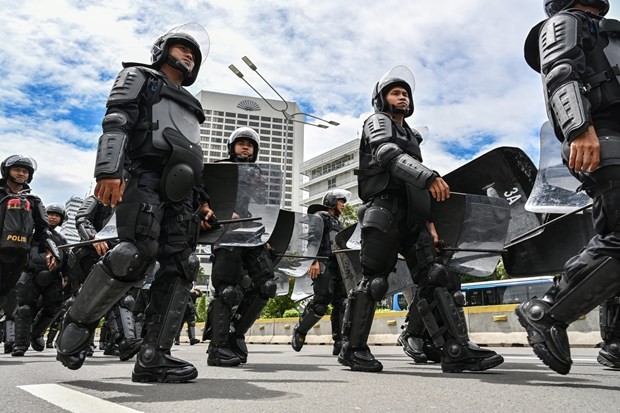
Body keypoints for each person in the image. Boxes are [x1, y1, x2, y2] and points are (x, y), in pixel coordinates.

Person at [55, 23, 214, 384]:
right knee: (133, 254)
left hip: (183, 191)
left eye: (194, 53)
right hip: (143, 175)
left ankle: (154, 356)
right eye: (181, 48)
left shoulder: (193, 105)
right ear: (162, 49)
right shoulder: (139, 75)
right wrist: (108, 169)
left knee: (182, 264)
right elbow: (117, 119)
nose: (188, 55)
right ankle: (77, 326)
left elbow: (194, 155)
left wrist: (203, 202)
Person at [339, 66, 503, 373]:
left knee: (436, 276)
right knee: (374, 282)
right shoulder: (377, 122)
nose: (402, 97)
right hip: (384, 210)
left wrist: (430, 221)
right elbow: (386, 153)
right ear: (381, 98)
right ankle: (353, 348)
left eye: (405, 94)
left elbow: (414, 183)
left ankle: (455, 350)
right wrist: (428, 176)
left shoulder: (411, 136)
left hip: (415, 216)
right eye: (395, 92)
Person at [517, 0, 620, 375]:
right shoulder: (565, 21)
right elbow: (561, 72)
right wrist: (578, 127)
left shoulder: (608, 31)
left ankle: (616, 343)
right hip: (601, 136)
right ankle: (547, 311)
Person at [205, 127, 277, 367]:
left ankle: (235, 332)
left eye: (250, 144)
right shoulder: (220, 168)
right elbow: (204, 198)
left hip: (251, 234)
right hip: (226, 231)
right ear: (232, 146)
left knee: (267, 285)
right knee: (227, 290)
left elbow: (263, 208)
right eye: (241, 143)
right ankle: (217, 348)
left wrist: (265, 235)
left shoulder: (258, 176)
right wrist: (220, 212)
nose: (246, 147)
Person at [291, 189, 349, 356]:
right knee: (320, 303)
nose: (343, 205)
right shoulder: (320, 217)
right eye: (340, 201)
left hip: (338, 266)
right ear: (331, 201)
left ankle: (340, 342)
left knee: (342, 303)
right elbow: (313, 239)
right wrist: (314, 260)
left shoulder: (339, 223)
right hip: (322, 263)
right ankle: (300, 330)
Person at [0, 155, 58, 317]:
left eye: (25, 171)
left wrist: (51, 250)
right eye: (17, 169)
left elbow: (43, 230)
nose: (21, 174)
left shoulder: (33, 201)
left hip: (19, 254)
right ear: (7, 171)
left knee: (7, 293)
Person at [12, 203, 68, 356]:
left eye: (57, 215)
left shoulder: (62, 239)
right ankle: (20, 345)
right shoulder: (31, 233)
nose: (53, 217)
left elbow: (67, 259)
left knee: (55, 307)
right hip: (31, 274)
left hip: (53, 277)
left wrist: (67, 276)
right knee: (24, 309)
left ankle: (36, 333)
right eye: (50, 214)